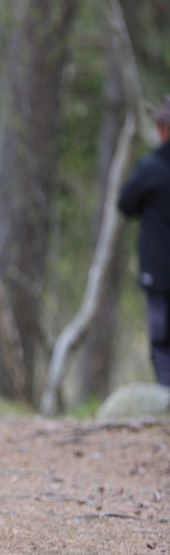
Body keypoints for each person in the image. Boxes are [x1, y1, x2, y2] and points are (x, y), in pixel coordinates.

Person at [117, 96, 170, 387]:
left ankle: (166, 405)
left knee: (162, 344)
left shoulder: (151, 168)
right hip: (158, 273)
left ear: (163, 129)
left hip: (159, 274)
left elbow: (125, 204)